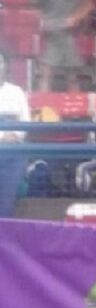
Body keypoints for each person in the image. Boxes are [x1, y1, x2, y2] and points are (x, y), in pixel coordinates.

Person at [38, 0, 96, 92]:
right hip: (50, 37)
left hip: (70, 37)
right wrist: (40, 21)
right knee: (44, 76)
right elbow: (34, 7)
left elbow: (89, 4)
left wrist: (76, 17)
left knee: (72, 77)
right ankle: (43, 101)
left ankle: (75, 101)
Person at [0, 50, 31, 217]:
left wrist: (15, 136)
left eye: (0, 62)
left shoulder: (16, 91)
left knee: (7, 202)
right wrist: (2, 137)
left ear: (5, 66)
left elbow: (26, 121)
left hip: (14, 151)